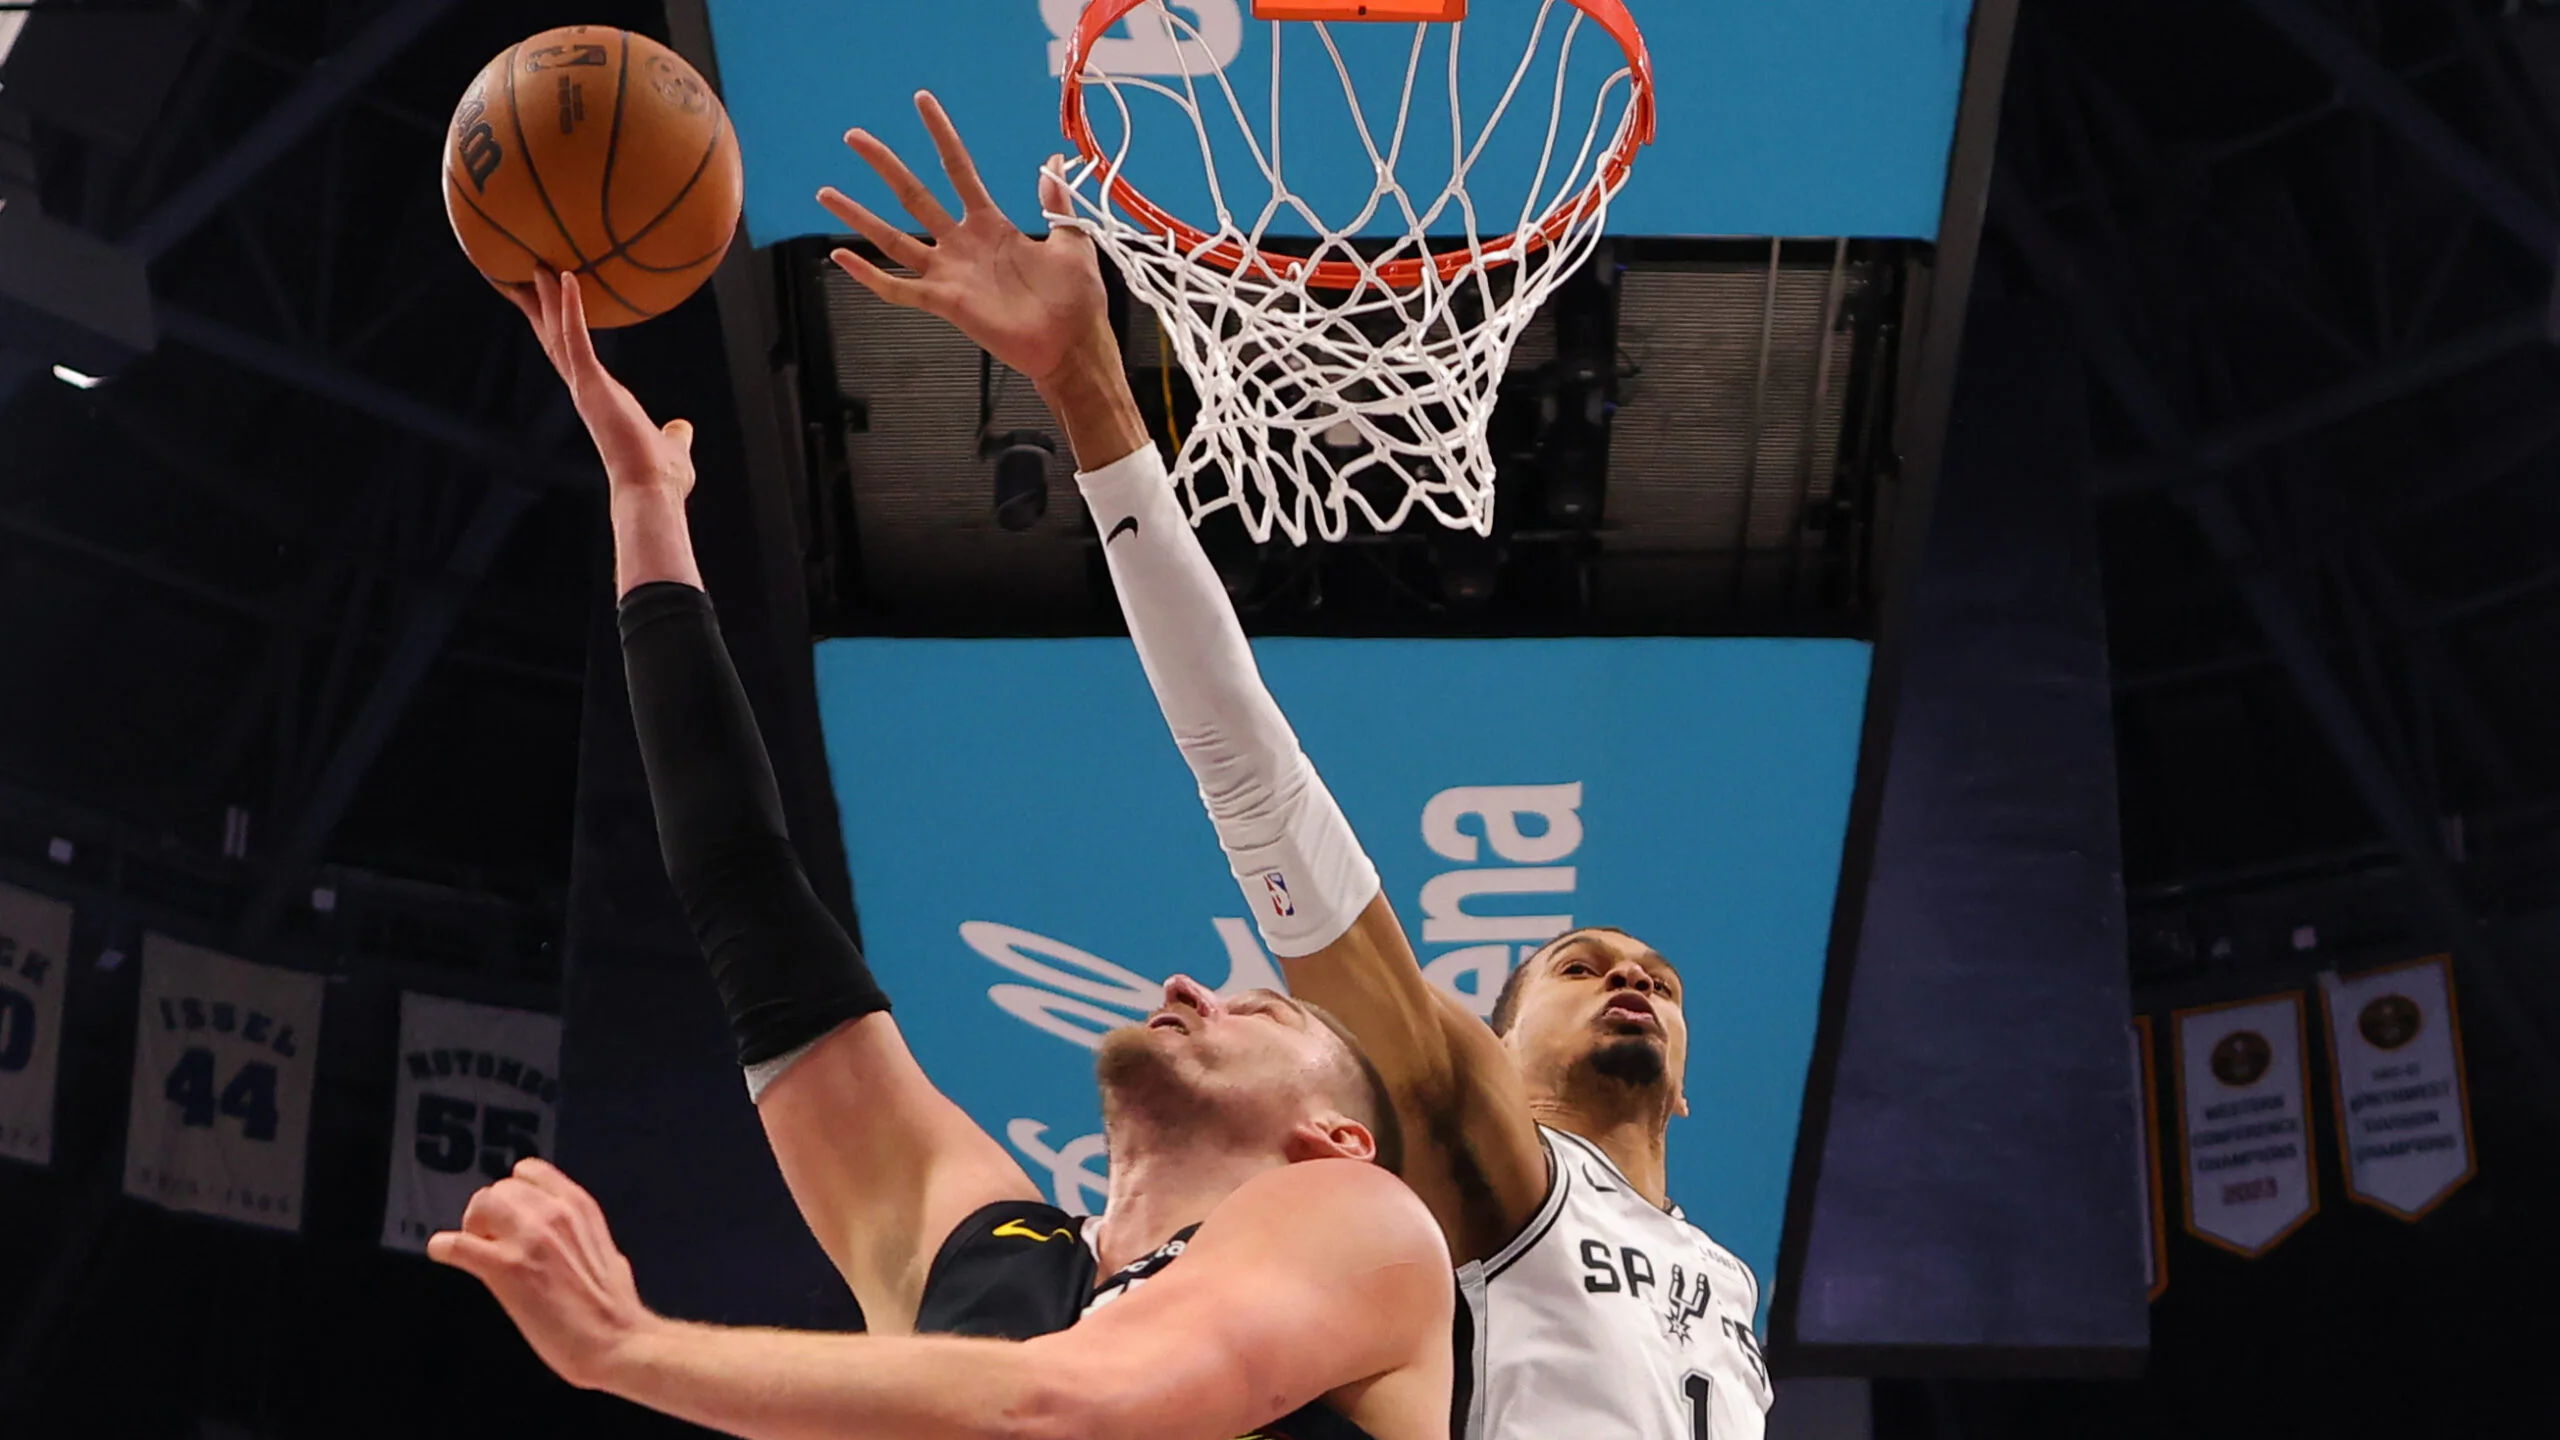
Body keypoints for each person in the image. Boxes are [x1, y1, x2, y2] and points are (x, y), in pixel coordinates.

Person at [819, 95, 1774, 1439]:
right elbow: (1251, 777)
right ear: (1485, 1046)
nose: (1631, 979)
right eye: (1577, 966)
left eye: (1657, 981)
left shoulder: (1724, 1280)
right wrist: (1090, 391)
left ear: (1685, 1082)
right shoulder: (1488, 1155)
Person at [426, 194, 1453, 1440]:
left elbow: (1068, 1406)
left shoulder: (1360, 1224)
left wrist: (627, 1347)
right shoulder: (985, 1245)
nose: (1193, 985)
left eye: (1261, 1010)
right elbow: (745, 890)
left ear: (1335, 1138)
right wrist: (646, 505)